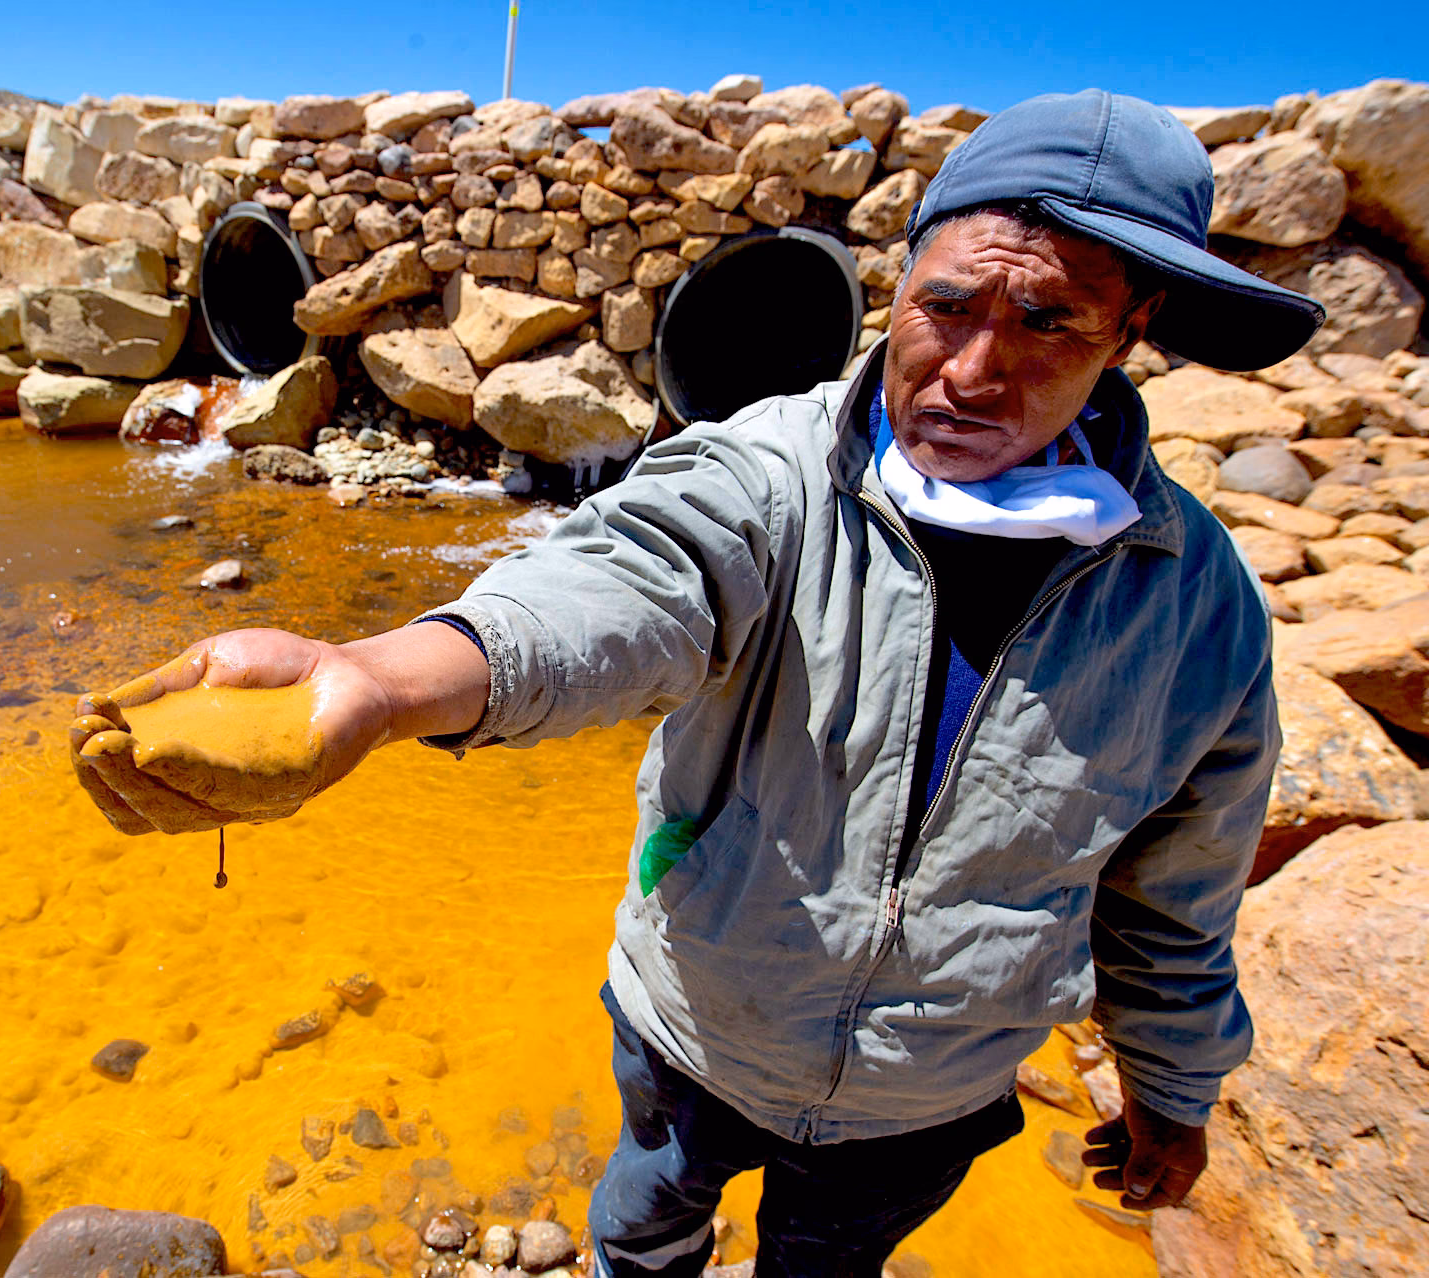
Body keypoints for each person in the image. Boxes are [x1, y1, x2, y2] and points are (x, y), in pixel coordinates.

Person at [69, 90, 1325, 1276]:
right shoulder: (770, 473)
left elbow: (1178, 894)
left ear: (1132, 328)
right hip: (693, 1030)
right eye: (947, 308)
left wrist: (1172, 1089)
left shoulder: (1193, 605)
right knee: (642, 1218)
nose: (971, 372)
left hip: (929, 1089)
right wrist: (381, 679)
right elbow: (621, 584)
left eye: (1046, 323)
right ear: (902, 280)